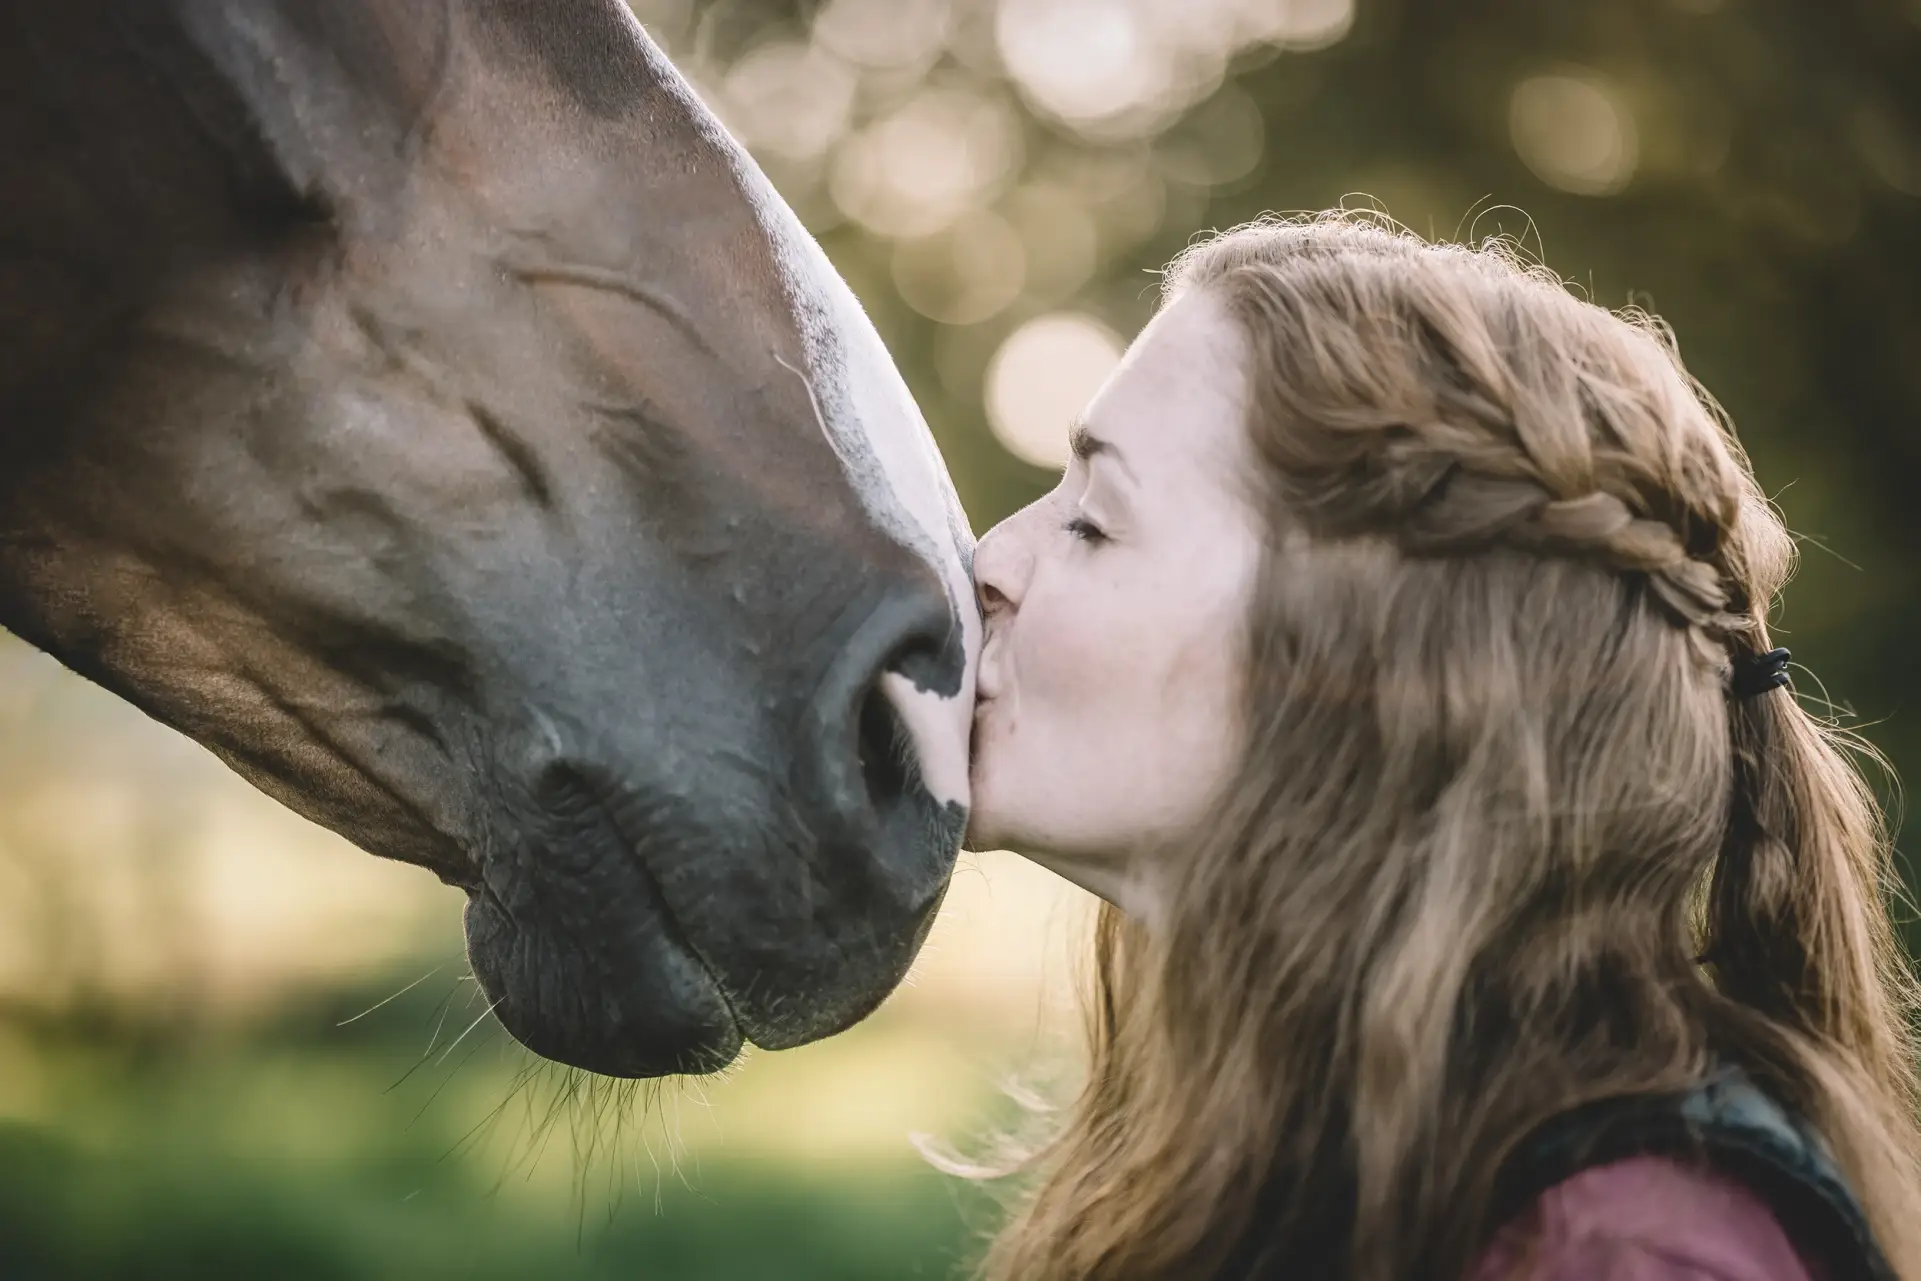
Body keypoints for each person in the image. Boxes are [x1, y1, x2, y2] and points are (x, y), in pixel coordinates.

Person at [962, 213, 1921, 1281]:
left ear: (1362, 666)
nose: (990, 559)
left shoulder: (1619, 1254)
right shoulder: (1300, 1147)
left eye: (1092, 521)